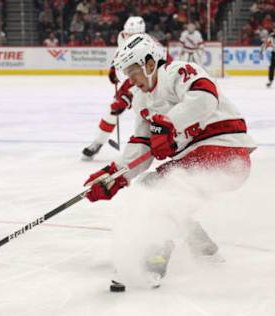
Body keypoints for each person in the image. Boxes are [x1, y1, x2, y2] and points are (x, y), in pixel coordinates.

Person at [83, 34, 256, 288]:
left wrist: (169, 124)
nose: (131, 81)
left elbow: (206, 96)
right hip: (197, 158)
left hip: (225, 151)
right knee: (155, 188)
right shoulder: (142, 100)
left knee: (160, 191)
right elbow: (142, 144)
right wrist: (115, 175)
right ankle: (205, 250)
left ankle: (155, 257)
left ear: (150, 64)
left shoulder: (177, 72)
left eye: (134, 73)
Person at [82, 16, 171, 160]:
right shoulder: (124, 39)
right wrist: (114, 70)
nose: (128, 37)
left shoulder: (150, 46)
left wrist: (125, 97)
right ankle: (98, 142)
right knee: (112, 111)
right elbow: (121, 58)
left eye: (132, 35)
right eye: (127, 34)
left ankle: (157, 145)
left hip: (152, 85)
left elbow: (147, 74)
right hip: (138, 82)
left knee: (148, 117)